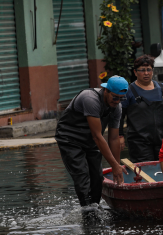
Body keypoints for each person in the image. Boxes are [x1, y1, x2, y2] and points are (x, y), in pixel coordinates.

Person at [55, 75, 129, 210]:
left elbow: (113, 138)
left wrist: (116, 166)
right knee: (82, 176)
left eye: (121, 98)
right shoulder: (90, 99)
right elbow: (97, 136)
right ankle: (88, 213)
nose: (118, 101)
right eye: (115, 97)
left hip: (90, 140)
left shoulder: (117, 108)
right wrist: (114, 164)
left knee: (97, 177)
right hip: (70, 138)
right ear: (106, 91)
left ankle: (94, 207)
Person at [119, 55, 163, 163]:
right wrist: (120, 135)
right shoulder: (129, 91)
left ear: (152, 71)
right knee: (145, 171)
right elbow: (119, 116)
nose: (146, 73)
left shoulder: (162, 88)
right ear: (135, 72)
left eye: (149, 70)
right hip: (139, 143)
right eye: (142, 70)